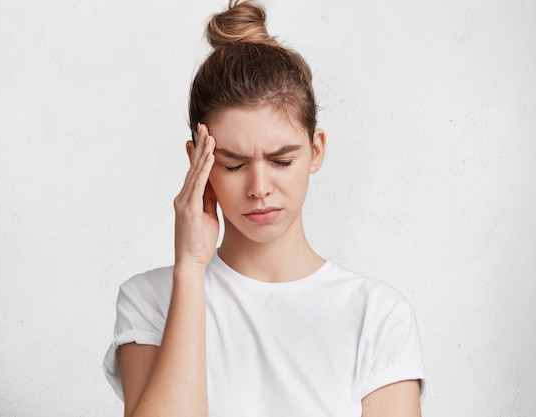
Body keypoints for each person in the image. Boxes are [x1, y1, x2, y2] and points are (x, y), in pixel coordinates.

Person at [103, 1, 426, 416]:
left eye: (281, 161)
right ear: (197, 161)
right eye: (234, 164)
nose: (259, 189)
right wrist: (190, 268)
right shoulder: (149, 300)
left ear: (315, 151)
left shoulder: (377, 315)